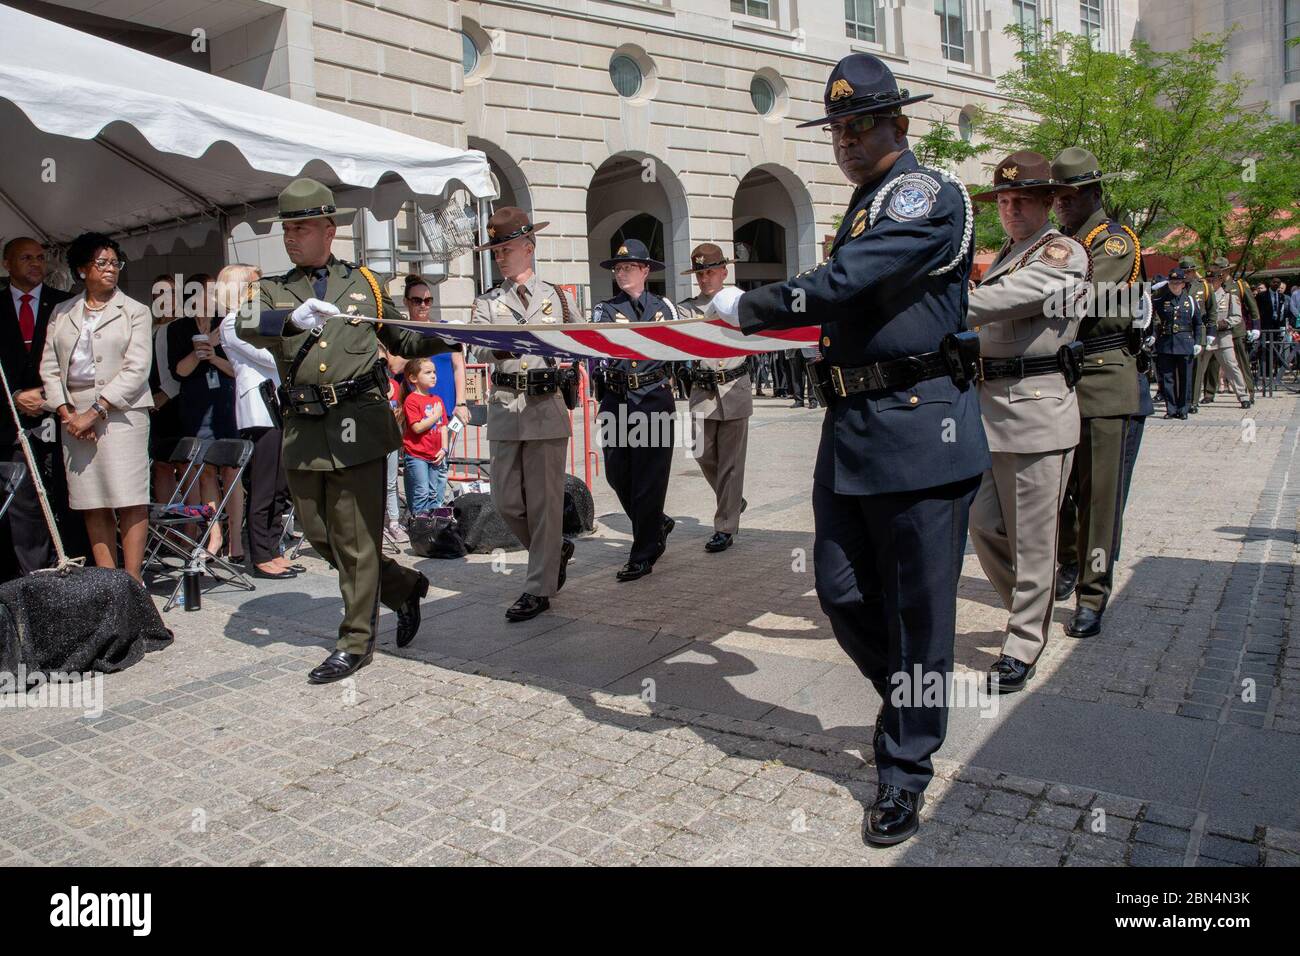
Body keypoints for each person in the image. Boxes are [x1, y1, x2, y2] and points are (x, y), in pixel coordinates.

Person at [713, 53, 988, 846]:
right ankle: (909, 700)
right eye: (836, 127)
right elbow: (845, 285)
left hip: (919, 426)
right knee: (840, 591)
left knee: (919, 613)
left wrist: (750, 305)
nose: (846, 139)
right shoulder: (869, 203)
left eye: (860, 123)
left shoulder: (920, 192)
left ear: (900, 124)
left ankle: (904, 769)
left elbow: (847, 283)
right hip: (855, 428)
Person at [236, 178, 459, 684]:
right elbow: (244, 320)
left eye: (301, 227)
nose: (291, 237)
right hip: (303, 429)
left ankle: (355, 641)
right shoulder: (271, 288)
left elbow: (400, 333)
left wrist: (446, 335)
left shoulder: (365, 282)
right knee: (318, 534)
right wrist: (288, 318)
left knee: (356, 541)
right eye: (287, 229)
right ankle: (402, 585)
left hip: (360, 422)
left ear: (329, 229)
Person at [965, 152, 1087, 695]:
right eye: (1004, 201)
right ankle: (1029, 609)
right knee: (984, 524)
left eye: (1021, 201)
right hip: (990, 410)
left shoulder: (1061, 252)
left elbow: (1011, 299)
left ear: (1047, 203)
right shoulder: (1005, 255)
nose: (1010, 210)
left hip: (1037, 409)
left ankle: (1022, 643)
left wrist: (945, 305)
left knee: (1034, 539)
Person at [1049, 148, 1145, 640]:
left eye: (1069, 196)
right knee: (1061, 490)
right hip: (1060, 379)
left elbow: (1077, 299)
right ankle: (1068, 564)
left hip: (1105, 378)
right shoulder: (1061, 243)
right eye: (1057, 197)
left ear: (1092, 194)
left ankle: (1093, 593)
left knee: (1099, 499)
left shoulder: (1113, 242)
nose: (1061, 204)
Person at [469, 207, 580, 620]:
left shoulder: (558, 298)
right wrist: (498, 346)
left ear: (529, 248)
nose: (499, 255)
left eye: (506, 247)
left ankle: (538, 588)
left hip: (545, 407)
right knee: (506, 500)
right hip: (504, 406)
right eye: (495, 249)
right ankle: (553, 552)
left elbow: (580, 339)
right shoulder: (487, 301)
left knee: (546, 503)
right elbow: (477, 346)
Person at [39, 232, 153, 581]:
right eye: (101, 263)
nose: (110, 269)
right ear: (81, 270)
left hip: (121, 412)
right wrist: (66, 412)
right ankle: (108, 582)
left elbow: (137, 368)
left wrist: (96, 411)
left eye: (114, 262)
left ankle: (132, 584)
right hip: (73, 413)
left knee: (129, 496)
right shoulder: (62, 311)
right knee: (93, 499)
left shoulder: (136, 311)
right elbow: (49, 366)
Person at [591, 238, 680, 583]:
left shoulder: (664, 308)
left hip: (654, 399)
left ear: (645, 270)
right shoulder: (605, 310)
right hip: (615, 400)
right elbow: (598, 349)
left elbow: (677, 347)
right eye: (618, 268)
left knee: (649, 478)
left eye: (628, 267)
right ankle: (655, 522)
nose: (621, 273)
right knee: (617, 473)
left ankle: (643, 551)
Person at [1, 236, 79, 578]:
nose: (35, 263)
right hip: (9, 423)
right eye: (26, 258)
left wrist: (50, 398)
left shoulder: (64, 305)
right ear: (7, 264)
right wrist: (14, 396)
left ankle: (71, 568)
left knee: (66, 495)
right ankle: (31, 576)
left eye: (39, 257)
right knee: (23, 502)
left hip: (61, 419)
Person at [218, 264, 298, 580]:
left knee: (279, 484)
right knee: (264, 485)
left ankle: (273, 549)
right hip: (258, 407)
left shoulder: (254, 319)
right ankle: (261, 555)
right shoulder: (231, 322)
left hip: (275, 404)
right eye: (253, 284)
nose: (259, 289)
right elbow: (268, 357)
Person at [676, 243, 751, 553]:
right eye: (700, 273)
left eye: (709, 272)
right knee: (700, 451)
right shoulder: (685, 309)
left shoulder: (741, 303)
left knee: (732, 463)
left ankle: (725, 526)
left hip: (734, 388)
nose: (704, 278)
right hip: (702, 390)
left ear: (724, 271)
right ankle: (733, 498)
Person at [169, 272, 244, 562]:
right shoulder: (178, 329)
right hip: (196, 406)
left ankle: (236, 540)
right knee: (206, 472)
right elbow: (181, 371)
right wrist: (199, 353)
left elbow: (237, 369)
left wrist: (212, 354)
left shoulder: (228, 325)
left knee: (232, 471)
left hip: (226, 404)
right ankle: (215, 535)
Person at [1201, 257, 1257, 406]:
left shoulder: (1235, 288)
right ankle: (1203, 395)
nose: (1211, 282)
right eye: (1209, 279)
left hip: (1229, 334)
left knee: (1235, 365)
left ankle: (1246, 394)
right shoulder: (1203, 294)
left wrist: (1255, 326)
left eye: (1214, 278)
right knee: (1204, 368)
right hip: (1207, 336)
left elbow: (1248, 309)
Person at [1152, 267, 1203, 419]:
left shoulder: (1191, 301)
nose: (1175, 286)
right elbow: (1155, 321)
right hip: (1166, 343)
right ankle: (1171, 409)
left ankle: (1183, 409)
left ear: (1183, 284)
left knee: (1185, 378)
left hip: (1185, 342)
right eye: (1172, 283)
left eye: (1178, 283)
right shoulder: (1161, 301)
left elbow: (1198, 323)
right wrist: (1153, 336)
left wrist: (1198, 342)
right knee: (1167, 379)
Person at [401, 358, 449, 513]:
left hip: (436, 454)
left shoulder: (437, 400)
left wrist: (444, 449)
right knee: (421, 492)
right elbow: (417, 428)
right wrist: (435, 416)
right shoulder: (411, 400)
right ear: (413, 378)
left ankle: (433, 526)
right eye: (428, 372)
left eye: (434, 372)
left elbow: (443, 427)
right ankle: (419, 527)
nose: (433, 375)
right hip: (417, 455)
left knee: (434, 493)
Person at [1182, 257, 1215, 414]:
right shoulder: (1176, 286)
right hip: (1181, 332)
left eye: (1190, 271)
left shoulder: (1204, 287)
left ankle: (1193, 402)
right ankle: (1182, 399)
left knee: (1196, 370)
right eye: (1185, 271)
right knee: (1180, 369)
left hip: (1198, 331)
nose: (1188, 274)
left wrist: (1211, 332)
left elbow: (1211, 311)